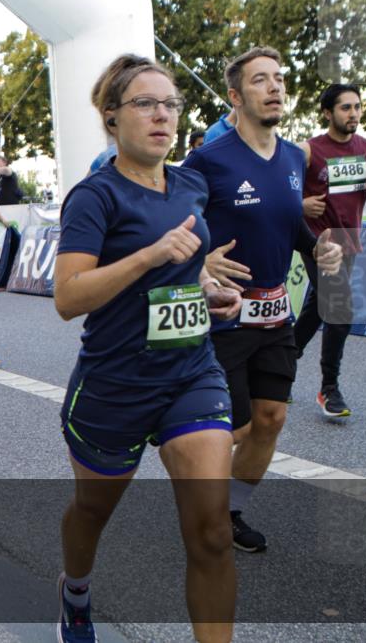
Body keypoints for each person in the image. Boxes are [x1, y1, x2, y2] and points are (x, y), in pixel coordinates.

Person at [55, 53, 243, 643]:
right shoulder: (95, 197)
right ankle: (75, 591)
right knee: (92, 511)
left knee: (212, 531)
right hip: (116, 383)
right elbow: (68, 297)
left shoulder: (190, 184)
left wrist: (207, 288)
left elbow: (185, 270)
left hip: (192, 373)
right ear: (111, 116)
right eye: (145, 103)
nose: (162, 115)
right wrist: (148, 256)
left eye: (170, 104)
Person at [184, 47, 343, 554]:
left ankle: (227, 513)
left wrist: (317, 248)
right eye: (260, 80)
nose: (275, 87)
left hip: (275, 314)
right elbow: (173, 224)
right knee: (233, 428)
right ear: (235, 96)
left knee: (271, 419)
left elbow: (289, 223)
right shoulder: (208, 160)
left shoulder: (296, 157)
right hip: (224, 316)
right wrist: (201, 261)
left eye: (278, 78)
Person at [294, 83, 366, 417]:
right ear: (327, 113)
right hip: (316, 242)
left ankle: (280, 366)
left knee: (317, 308)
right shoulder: (307, 151)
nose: (354, 114)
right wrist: (301, 204)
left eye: (357, 107)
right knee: (341, 308)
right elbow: (282, 193)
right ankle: (329, 389)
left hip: (349, 241)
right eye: (346, 108)